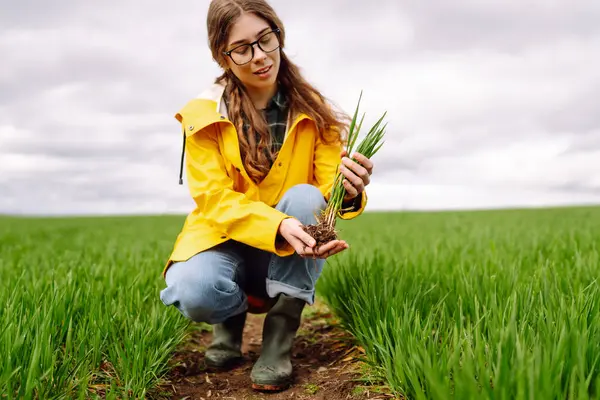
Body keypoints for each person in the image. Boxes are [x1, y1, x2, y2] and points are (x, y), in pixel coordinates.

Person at [159, 0, 375, 392]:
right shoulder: (203, 115)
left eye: (265, 39)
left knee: (308, 195)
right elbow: (213, 198)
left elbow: (325, 192)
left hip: (286, 251)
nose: (259, 56)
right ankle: (231, 319)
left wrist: (348, 190)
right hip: (223, 237)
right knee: (194, 291)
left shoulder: (316, 114)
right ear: (221, 55)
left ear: (279, 35)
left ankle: (278, 339)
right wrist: (279, 224)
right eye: (241, 48)